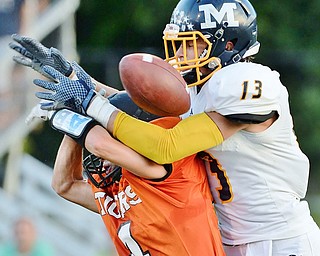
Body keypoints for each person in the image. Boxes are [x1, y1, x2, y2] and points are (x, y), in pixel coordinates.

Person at [10, 0, 320, 254]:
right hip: (228, 241)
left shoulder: (246, 82)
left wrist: (88, 104)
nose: (180, 56)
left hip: (282, 240)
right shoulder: (200, 92)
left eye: (192, 46)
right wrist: (78, 81)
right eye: (178, 46)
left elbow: (165, 145)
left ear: (228, 44)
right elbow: (130, 107)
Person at [27, 91, 226, 255]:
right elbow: (64, 184)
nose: (103, 163)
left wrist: (66, 116)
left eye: (115, 137)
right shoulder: (120, 187)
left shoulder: (170, 170)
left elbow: (100, 145)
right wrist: (73, 126)